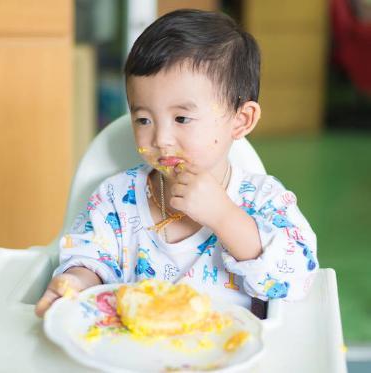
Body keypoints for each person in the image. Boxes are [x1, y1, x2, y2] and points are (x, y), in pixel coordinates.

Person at [35, 9, 318, 318]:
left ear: (241, 120)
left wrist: (224, 216)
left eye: (182, 118)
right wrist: (74, 282)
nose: (161, 138)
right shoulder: (116, 198)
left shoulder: (264, 200)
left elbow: (296, 278)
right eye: (143, 119)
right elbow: (90, 260)